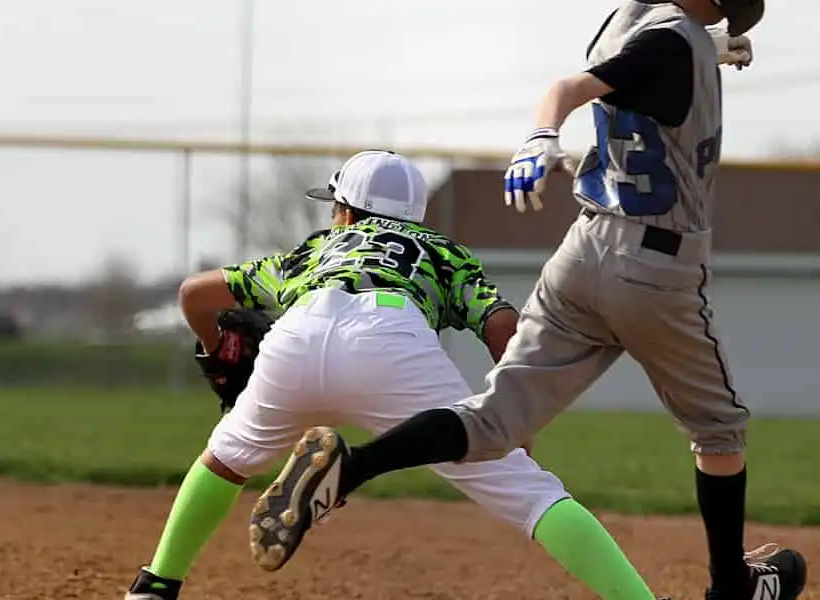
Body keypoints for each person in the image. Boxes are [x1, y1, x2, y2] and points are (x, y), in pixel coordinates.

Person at [253, 2, 809, 600]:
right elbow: (577, 85)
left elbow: (631, 63)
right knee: (720, 427)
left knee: (493, 421)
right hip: (657, 265)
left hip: (582, 253)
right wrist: (548, 130)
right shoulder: (676, 42)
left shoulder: (637, 27)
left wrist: (711, 45)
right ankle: (732, 586)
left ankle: (350, 470)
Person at [125, 150, 666, 600]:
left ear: (345, 210)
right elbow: (501, 324)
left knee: (226, 458)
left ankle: (155, 585)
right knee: (532, 494)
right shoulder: (441, 252)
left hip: (299, 330)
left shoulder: (317, 248)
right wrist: (514, 420)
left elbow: (195, 293)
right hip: (391, 339)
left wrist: (215, 344)